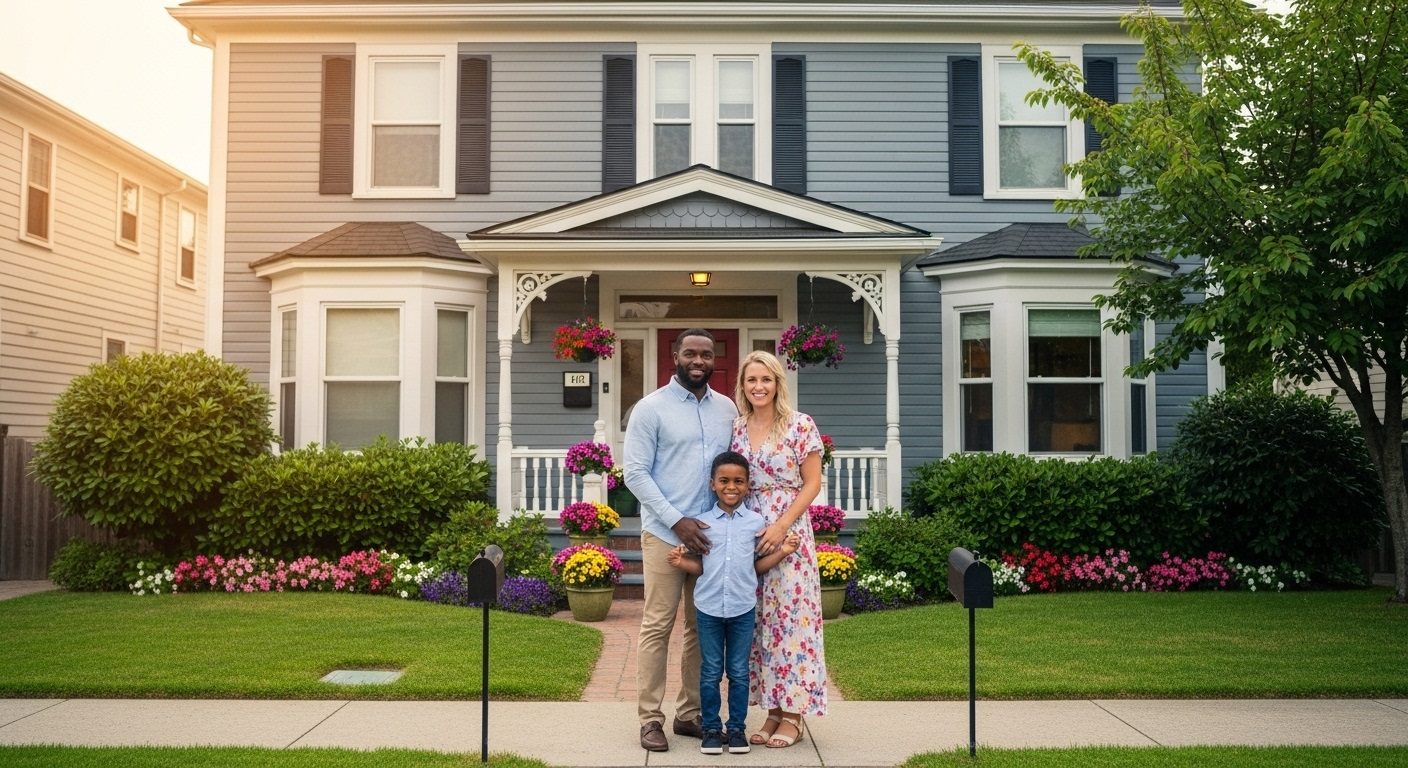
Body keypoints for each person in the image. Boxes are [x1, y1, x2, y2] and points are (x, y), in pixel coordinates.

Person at [623, 328, 738, 753]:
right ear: (675, 356)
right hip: (664, 535)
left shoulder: (727, 409)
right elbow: (635, 473)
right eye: (690, 353)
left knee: (700, 627)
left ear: (713, 360)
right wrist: (677, 521)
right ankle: (650, 719)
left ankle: (690, 714)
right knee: (657, 624)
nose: (698, 361)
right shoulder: (650, 409)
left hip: (711, 538)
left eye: (706, 354)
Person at [666, 451, 802, 755]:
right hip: (708, 609)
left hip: (742, 608)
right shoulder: (702, 523)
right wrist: (680, 562)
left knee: (739, 672)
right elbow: (702, 567)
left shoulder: (756, 523)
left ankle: (737, 730)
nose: (731, 486)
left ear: (747, 484)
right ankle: (712, 730)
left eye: (738, 481)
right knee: (711, 671)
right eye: (724, 480)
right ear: (712, 484)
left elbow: (756, 567)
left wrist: (783, 551)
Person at [731, 349, 827, 749]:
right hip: (749, 532)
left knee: (792, 623)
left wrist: (782, 525)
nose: (759, 387)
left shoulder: (799, 425)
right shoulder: (738, 427)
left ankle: (794, 715)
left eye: (766, 379)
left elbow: (812, 483)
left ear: (777, 384)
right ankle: (772, 711)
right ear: (743, 385)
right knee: (759, 626)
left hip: (789, 533)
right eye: (752, 380)